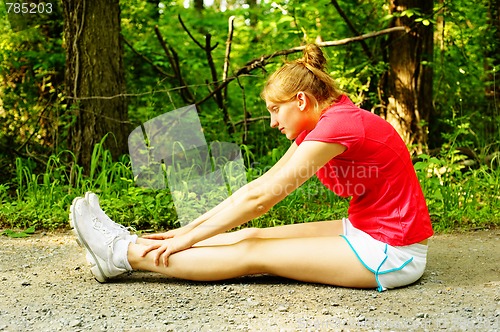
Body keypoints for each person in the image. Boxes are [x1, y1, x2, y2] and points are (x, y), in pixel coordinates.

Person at [70, 44, 433, 292]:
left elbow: (263, 198)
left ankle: (120, 255)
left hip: (391, 252)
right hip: (364, 230)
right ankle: (136, 242)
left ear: (301, 100)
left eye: (276, 110)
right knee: (251, 235)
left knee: (253, 253)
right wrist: (185, 230)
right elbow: (259, 186)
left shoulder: (339, 126)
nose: (273, 122)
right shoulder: (328, 121)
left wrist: (189, 238)